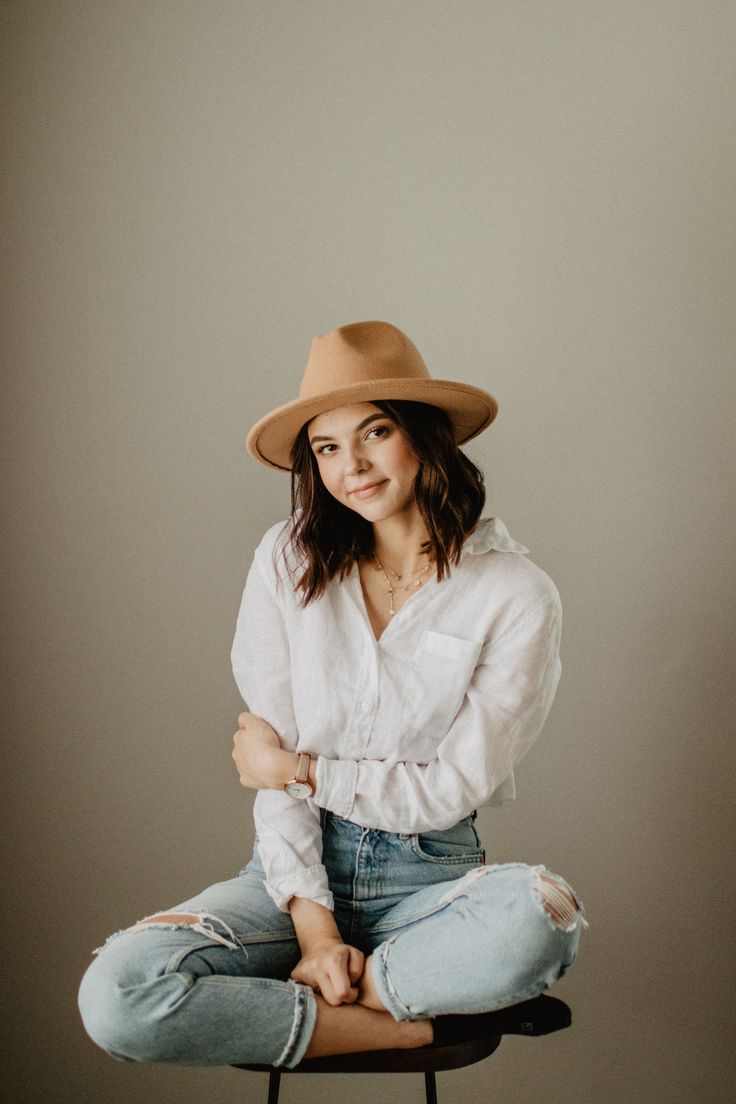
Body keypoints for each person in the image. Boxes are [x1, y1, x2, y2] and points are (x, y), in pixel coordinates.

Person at [78, 320, 587, 1070]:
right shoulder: (287, 559)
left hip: (431, 880)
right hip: (289, 878)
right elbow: (273, 767)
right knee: (119, 995)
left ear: (424, 436)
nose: (351, 465)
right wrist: (317, 937)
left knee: (544, 917)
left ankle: (350, 992)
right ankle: (407, 1019)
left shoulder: (515, 594)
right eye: (326, 448)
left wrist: (299, 769)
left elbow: (447, 790)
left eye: (375, 432)